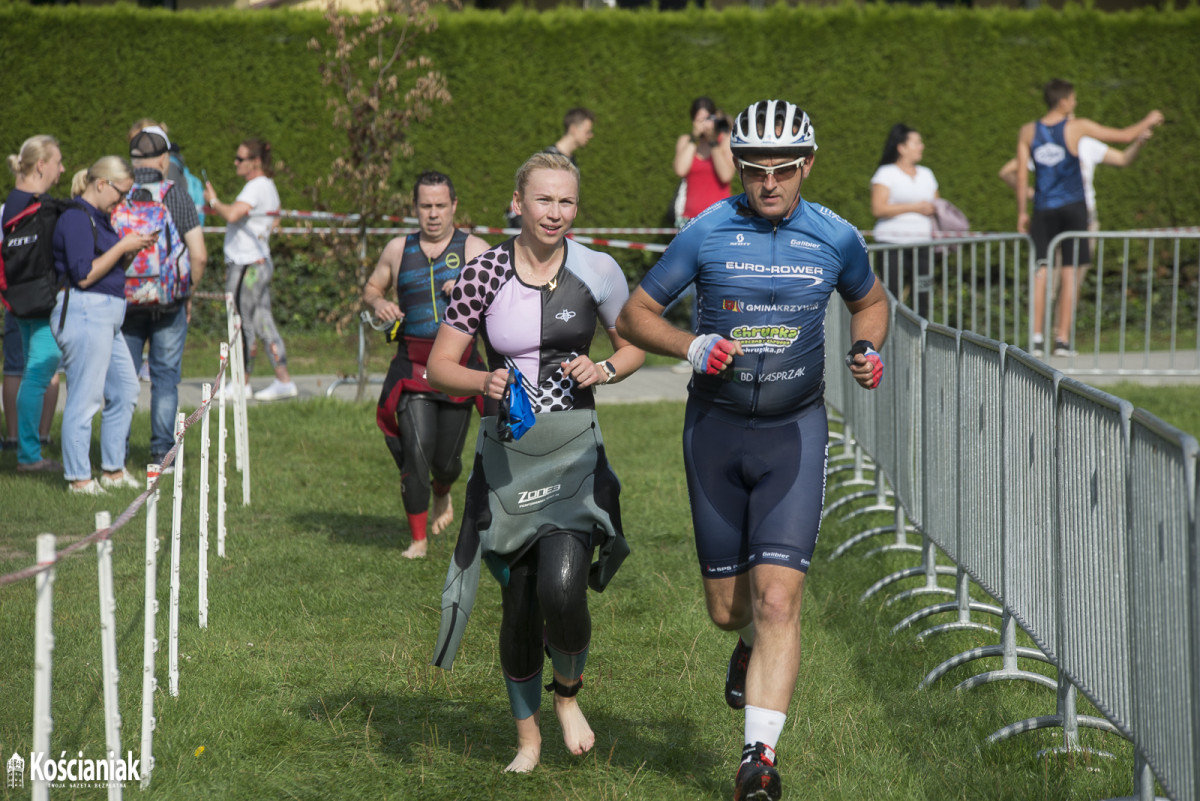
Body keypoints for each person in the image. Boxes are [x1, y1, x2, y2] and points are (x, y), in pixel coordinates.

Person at [616, 99, 889, 801]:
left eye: (784, 170)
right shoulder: (705, 232)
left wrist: (867, 346)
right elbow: (634, 314)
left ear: (809, 165)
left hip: (794, 432)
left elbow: (871, 299)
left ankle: (758, 763)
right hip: (715, 430)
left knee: (778, 600)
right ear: (737, 166)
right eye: (755, 170)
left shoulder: (836, 236)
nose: (769, 183)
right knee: (729, 610)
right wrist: (690, 343)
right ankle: (744, 649)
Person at [427, 152, 644, 773]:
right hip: (507, 461)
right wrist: (482, 381)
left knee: (563, 587)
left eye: (566, 202)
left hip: (574, 454)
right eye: (543, 200)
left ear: (577, 207)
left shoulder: (598, 270)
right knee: (522, 598)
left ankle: (567, 695)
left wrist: (601, 366)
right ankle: (528, 739)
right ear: (517, 203)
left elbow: (634, 349)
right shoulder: (482, 273)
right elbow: (440, 365)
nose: (555, 213)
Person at [362, 171, 490, 559]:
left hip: (459, 368)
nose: (432, 214)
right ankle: (417, 540)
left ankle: (443, 490)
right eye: (425, 206)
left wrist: (469, 287)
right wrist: (377, 302)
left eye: (440, 206)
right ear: (414, 208)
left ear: (453, 206)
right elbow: (371, 287)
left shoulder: (475, 249)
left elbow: (502, 299)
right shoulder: (398, 249)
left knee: (446, 463)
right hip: (413, 368)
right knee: (416, 452)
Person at [1015, 78, 1163, 357]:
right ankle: (1062, 341)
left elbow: (1022, 176)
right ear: (1063, 102)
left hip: (1044, 209)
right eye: (1073, 99)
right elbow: (1122, 135)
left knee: (1041, 271)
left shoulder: (1027, 131)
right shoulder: (1076, 127)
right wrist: (1148, 119)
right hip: (1073, 208)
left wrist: (1022, 211)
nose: (1075, 103)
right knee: (1070, 272)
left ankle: (1036, 339)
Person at [51, 157, 157, 494]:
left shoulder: (101, 219)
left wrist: (128, 250)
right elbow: (84, 275)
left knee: (126, 389)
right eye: (121, 193)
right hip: (84, 312)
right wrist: (123, 246)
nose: (122, 201)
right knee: (85, 398)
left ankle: (112, 470)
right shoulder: (76, 217)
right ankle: (79, 479)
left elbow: (104, 268)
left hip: (105, 316)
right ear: (101, 184)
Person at [121, 123, 207, 469]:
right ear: (164, 159)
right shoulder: (176, 194)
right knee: (165, 379)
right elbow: (198, 254)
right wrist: (188, 293)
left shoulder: (119, 192)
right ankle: (161, 454)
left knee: (123, 380)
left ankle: (117, 455)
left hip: (125, 304)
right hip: (169, 301)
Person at [203, 138, 296, 401]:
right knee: (263, 322)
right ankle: (284, 381)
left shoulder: (255, 187)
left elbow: (233, 214)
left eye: (240, 158)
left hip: (247, 265)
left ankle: (241, 383)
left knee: (241, 322)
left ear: (255, 162)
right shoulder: (268, 186)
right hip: (258, 262)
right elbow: (274, 219)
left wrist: (214, 200)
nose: (235, 163)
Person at [3, 134, 67, 472]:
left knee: (34, 367)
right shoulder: (35, 205)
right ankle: (29, 455)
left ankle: (28, 449)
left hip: (20, 300)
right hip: (37, 302)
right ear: (41, 164)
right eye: (58, 162)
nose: (62, 169)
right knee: (41, 367)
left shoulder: (15, 202)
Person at [870, 123, 939, 319]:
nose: (922, 146)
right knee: (891, 294)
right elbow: (878, 208)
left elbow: (936, 203)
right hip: (892, 243)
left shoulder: (927, 173)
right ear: (901, 147)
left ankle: (921, 342)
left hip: (922, 243)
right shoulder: (886, 173)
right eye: (916, 142)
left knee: (923, 295)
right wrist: (915, 207)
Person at [505, 107, 595, 229]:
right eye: (587, 131)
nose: (590, 135)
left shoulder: (572, 161)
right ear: (573, 129)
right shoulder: (549, 158)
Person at [674, 97, 735, 228]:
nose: (704, 124)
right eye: (699, 120)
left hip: (720, 218)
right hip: (690, 219)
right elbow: (680, 170)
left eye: (707, 119)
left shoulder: (724, 141)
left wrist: (713, 141)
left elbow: (726, 175)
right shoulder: (686, 141)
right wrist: (694, 138)